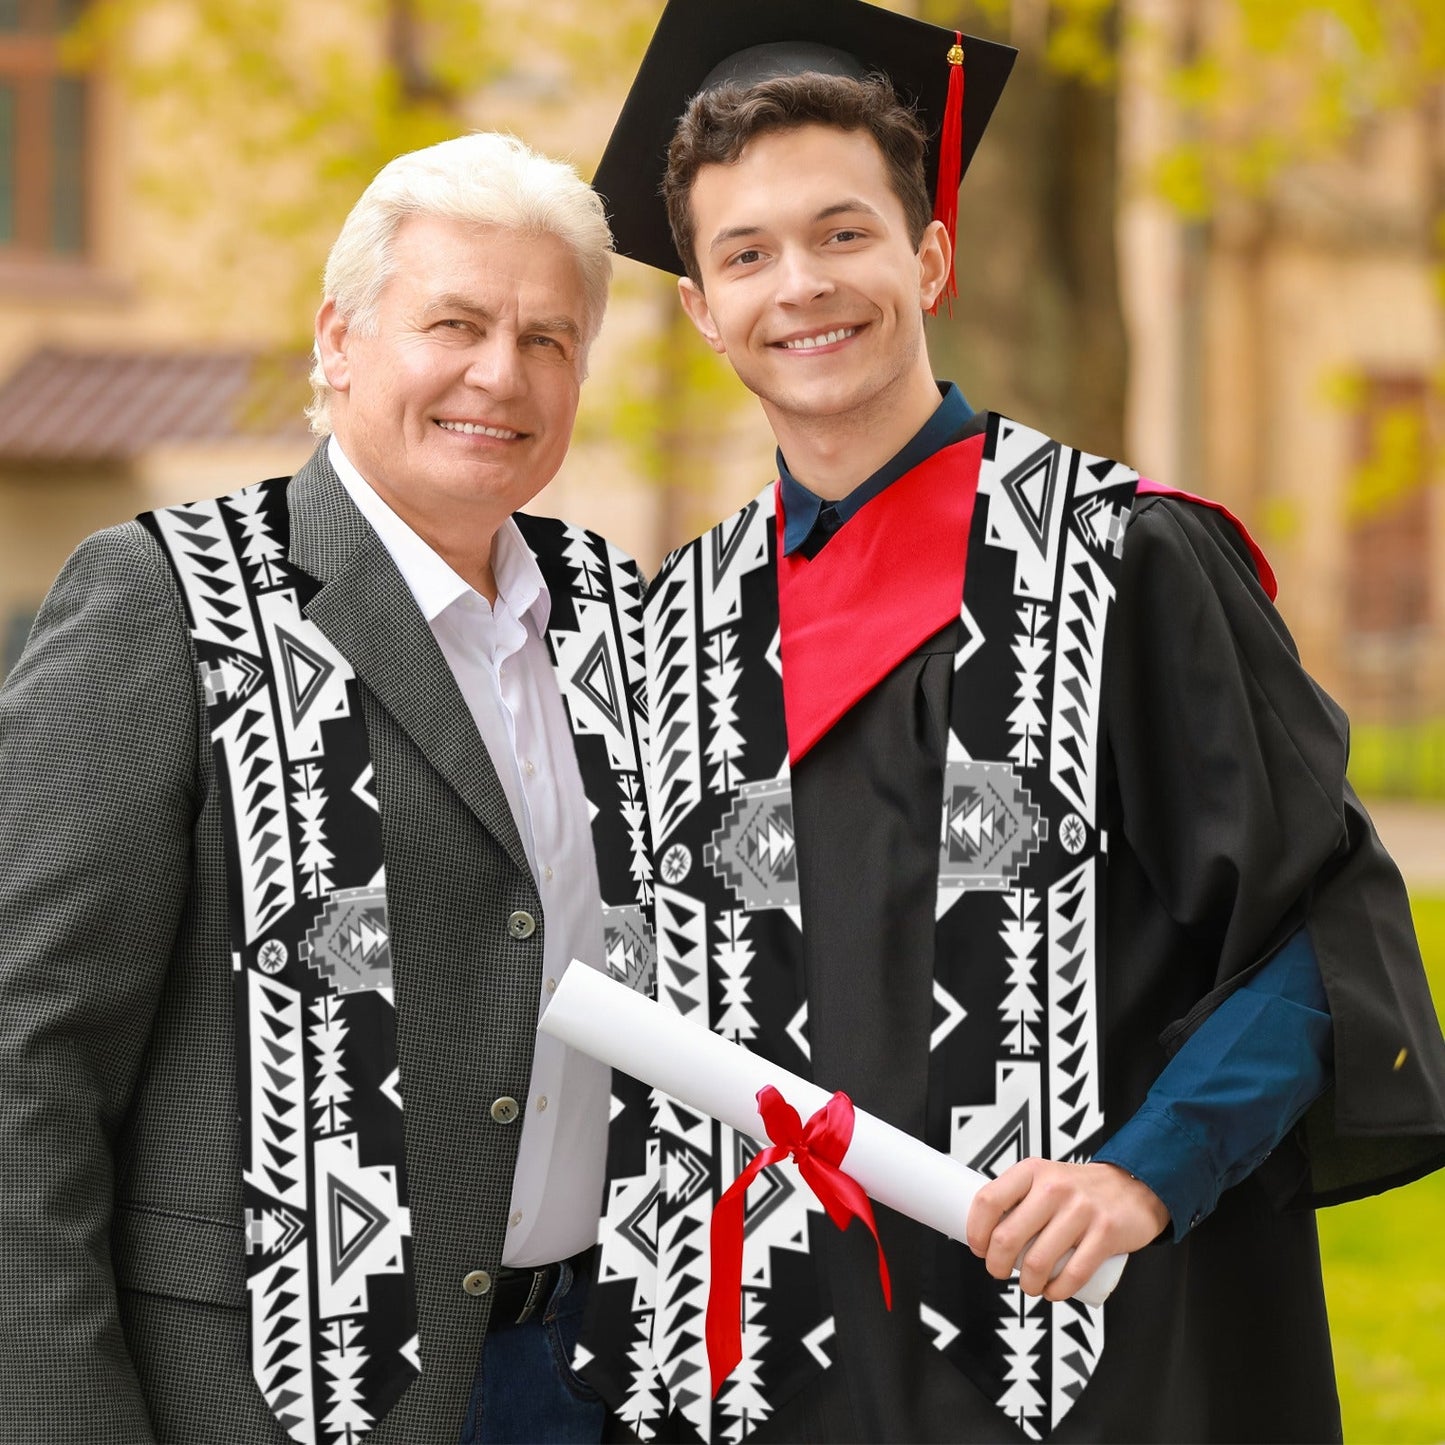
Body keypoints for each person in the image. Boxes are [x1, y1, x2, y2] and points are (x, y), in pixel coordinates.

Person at [575, 1, 1445, 1440]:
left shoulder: (1127, 563)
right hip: (786, 1373)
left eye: (843, 232)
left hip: (1097, 1344)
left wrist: (1142, 1170)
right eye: (745, 254)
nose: (800, 285)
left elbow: (1317, 932)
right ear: (699, 308)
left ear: (927, 254)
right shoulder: (680, 630)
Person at [0, 132, 652, 1445]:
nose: (498, 373)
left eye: (546, 338)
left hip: (591, 1382)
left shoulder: (625, 624)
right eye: (454, 322)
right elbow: (26, 1055)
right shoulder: (167, 599)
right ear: (339, 340)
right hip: (262, 1397)